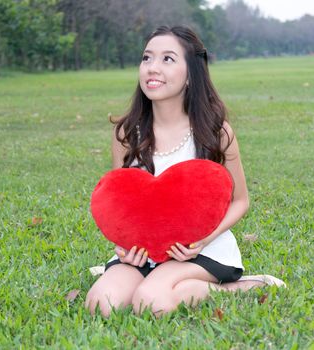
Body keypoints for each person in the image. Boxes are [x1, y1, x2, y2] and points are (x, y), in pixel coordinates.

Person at [85, 26, 285, 318]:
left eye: (167, 59)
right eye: (147, 58)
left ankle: (241, 287)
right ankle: (145, 277)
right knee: (101, 304)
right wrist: (123, 245)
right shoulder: (126, 133)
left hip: (201, 250)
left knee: (151, 303)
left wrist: (201, 240)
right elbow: (121, 204)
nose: (152, 68)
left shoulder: (215, 133)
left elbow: (240, 201)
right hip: (144, 249)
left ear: (191, 74)